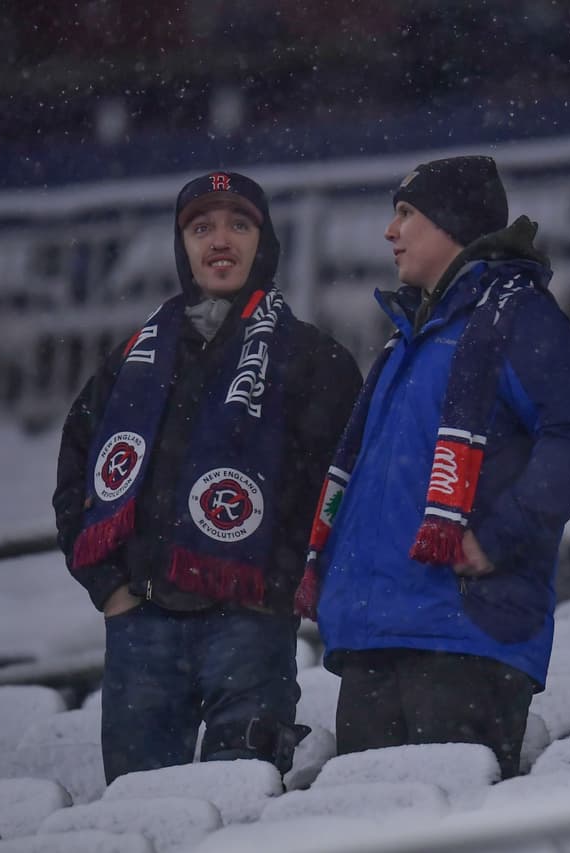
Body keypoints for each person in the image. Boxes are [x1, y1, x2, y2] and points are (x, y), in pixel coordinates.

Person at [295, 155, 570, 779]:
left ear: (453, 223)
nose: (390, 232)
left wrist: (498, 537)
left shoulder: (517, 317)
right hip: (373, 641)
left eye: (406, 214)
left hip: (462, 638)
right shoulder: (408, 336)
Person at [54, 170, 363, 782]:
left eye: (238, 224)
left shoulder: (313, 358)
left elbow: (340, 491)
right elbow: (75, 476)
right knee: (141, 818)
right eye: (202, 227)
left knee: (240, 814)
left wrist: (280, 588)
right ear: (182, 246)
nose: (220, 240)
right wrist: (109, 588)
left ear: (264, 241)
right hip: (140, 626)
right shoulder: (131, 360)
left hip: (250, 628)